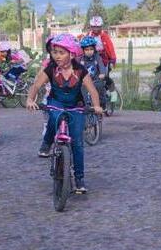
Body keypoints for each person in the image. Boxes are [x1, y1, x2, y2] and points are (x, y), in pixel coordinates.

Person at [27, 34, 103, 193]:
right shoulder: (51, 69)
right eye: (55, 52)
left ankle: (79, 179)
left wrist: (96, 106)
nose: (57, 56)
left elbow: (92, 90)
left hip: (76, 106)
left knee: (77, 143)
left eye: (61, 53)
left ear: (72, 54)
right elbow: (36, 85)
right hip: (56, 102)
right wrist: (30, 100)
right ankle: (47, 143)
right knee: (54, 119)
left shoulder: (80, 70)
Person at [85, 16, 117, 90]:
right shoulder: (89, 35)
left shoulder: (104, 36)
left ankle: (110, 90)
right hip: (92, 58)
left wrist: (113, 58)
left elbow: (110, 47)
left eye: (98, 27)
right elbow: (84, 46)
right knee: (92, 75)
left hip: (104, 58)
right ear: (91, 27)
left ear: (101, 26)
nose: (96, 29)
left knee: (104, 76)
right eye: (94, 27)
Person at [79, 36, 108, 106]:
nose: (89, 52)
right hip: (86, 81)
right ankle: (86, 104)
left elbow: (101, 65)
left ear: (94, 49)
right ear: (83, 50)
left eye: (91, 49)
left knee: (99, 87)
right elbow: (78, 69)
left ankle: (103, 102)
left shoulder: (97, 57)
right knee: (81, 89)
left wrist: (102, 73)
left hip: (96, 79)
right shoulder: (81, 59)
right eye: (86, 50)